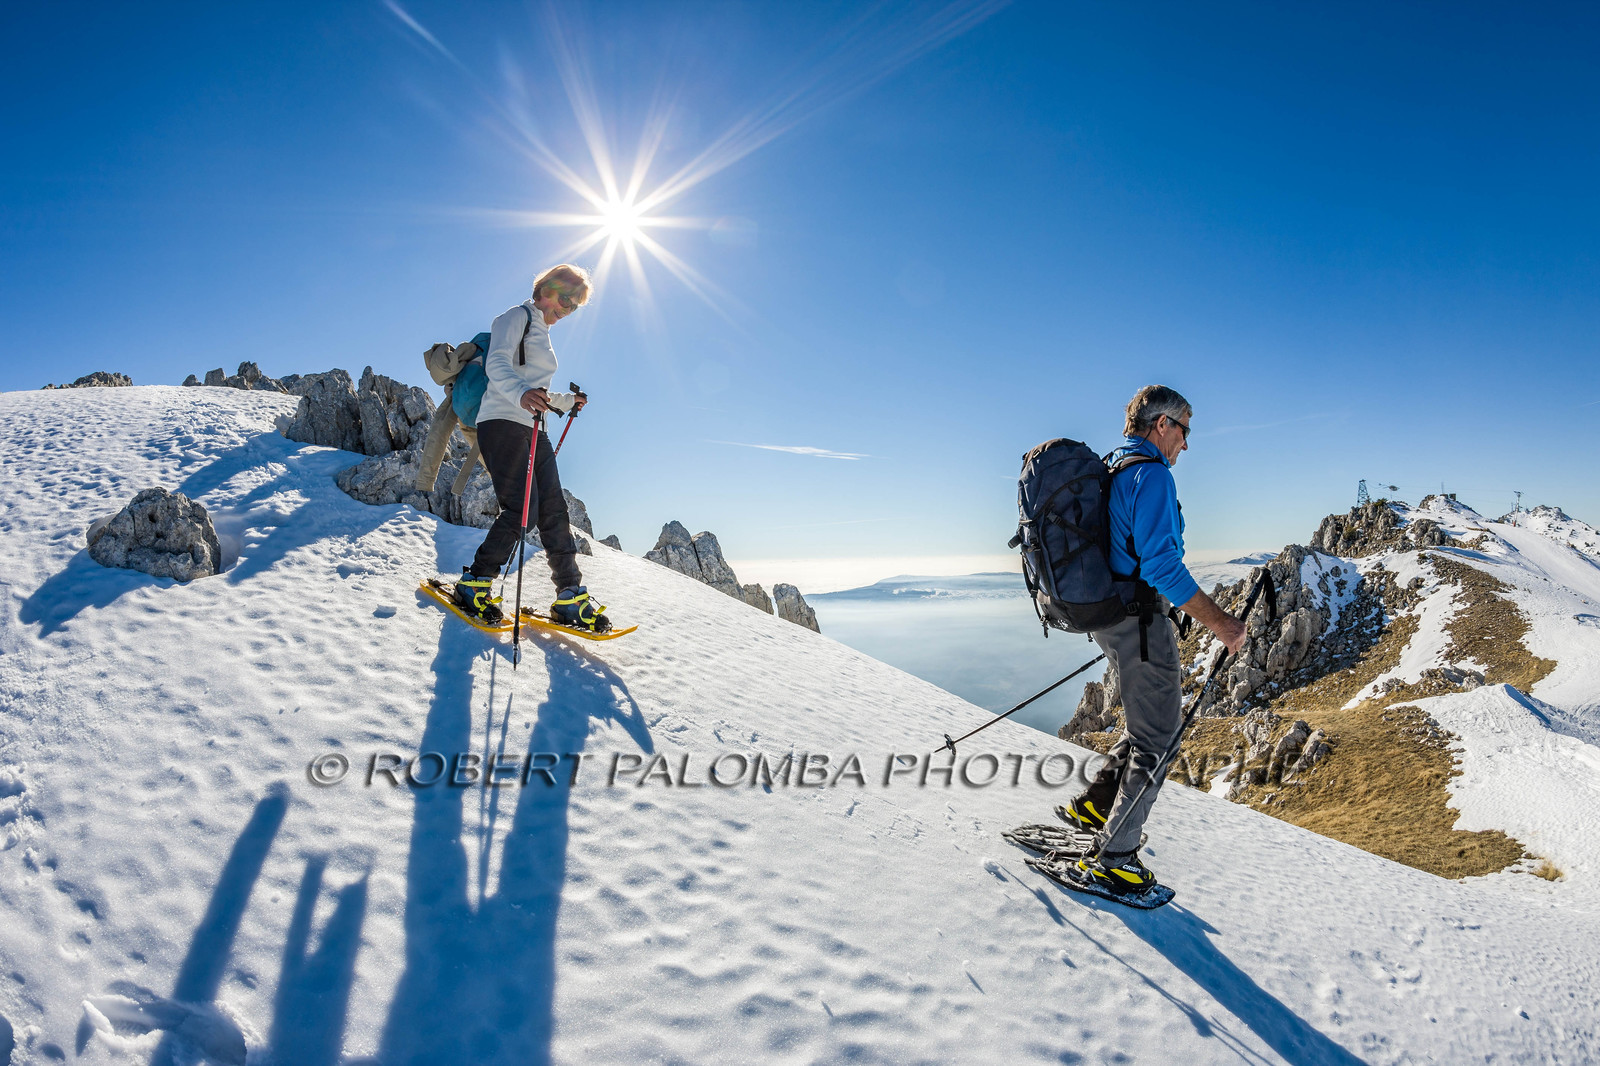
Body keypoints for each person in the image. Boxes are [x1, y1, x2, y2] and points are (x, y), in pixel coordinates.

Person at [1056, 385, 1245, 895]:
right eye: (1185, 429)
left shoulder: (1117, 467)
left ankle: (1096, 807)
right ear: (1162, 424)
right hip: (1139, 621)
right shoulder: (1152, 475)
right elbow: (1161, 564)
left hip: (1112, 615)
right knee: (1159, 741)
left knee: (1146, 728)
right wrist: (1222, 624)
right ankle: (1116, 857)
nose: (1187, 442)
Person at [452, 264, 611, 633]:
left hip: (532, 427)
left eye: (575, 305)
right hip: (500, 422)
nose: (567, 308)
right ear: (546, 288)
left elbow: (534, 387)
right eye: (565, 298)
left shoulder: (543, 332)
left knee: (554, 508)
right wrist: (523, 394)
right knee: (523, 508)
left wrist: (567, 401)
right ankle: (474, 582)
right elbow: (497, 366)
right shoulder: (515, 317)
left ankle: (569, 594)